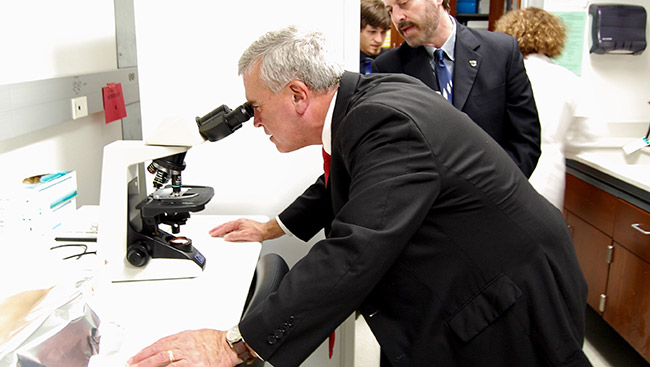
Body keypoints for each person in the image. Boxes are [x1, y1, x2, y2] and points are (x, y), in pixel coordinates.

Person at [127, 26, 592, 367]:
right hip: (476, 278)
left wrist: (233, 343)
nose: (254, 122)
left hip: (505, 300)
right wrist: (276, 226)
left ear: (297, 95)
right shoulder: (367, 103)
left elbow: (355, 248)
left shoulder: (384, 122)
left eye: (257, 108)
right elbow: (350, 182)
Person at [373, 0, 541, 178]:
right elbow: (389, 150)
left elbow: (525, 141)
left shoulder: (501, 52)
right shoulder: (388, 68)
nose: (398, 18)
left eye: (403, 3)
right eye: (390, 11)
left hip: (495, 195)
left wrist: (498, 193)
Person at [494, 8, 581, 209]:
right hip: (549, 171)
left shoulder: (501, 74)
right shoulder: (567, 78)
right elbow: (587, 134)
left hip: (508, 167)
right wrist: (559, 143)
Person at [360, 0, 390, 74]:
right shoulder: (345, 60)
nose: (379, 40)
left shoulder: (391, 60)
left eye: (383, 32)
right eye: (372, 32)